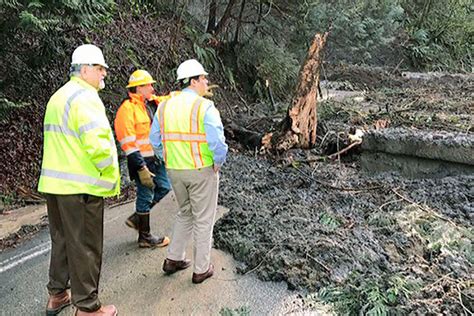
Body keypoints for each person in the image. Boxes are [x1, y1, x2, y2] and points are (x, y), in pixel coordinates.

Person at [38, 44, 120, 316]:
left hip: (55, 185)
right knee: (85, 246)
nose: (104, 74)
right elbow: (98, 145)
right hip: (81, 187)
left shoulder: (58, 97)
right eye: (100, 69)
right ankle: (87, 308)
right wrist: (109, 175)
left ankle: (58, 294)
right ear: (85, 70)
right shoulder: (86, 98)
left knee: (62, 240)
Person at [150, 59, 228, 284]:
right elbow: (218, 143)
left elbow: (154, 139)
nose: (206, 82)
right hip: (201, 169)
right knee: (204, 219)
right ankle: (201, 269)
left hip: (175, 170)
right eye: (203, 78)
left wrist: (166, 157)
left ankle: (173, 258)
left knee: (186, 212)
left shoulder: (165, 105)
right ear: (193, 81)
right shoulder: (204, 107)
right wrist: (218, 163)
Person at [114, 70, 171, 248]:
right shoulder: (127, 109)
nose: (152, 88)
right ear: (139, 88)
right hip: (142, 162)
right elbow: (128, 143)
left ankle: (138, 218)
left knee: (164, 187)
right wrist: (140, 167)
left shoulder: (150, 103)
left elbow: (170, 98)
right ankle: (144, 237)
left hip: (156, 159)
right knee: (146, 195)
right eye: (149, 85)